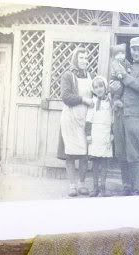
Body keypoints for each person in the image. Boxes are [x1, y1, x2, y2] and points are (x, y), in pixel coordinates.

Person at [110, 37, 139, 196]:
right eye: (133, 49)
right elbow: (115, 86)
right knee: (121, 152)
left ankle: (136, 189)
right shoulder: (125, 65)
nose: (136, 52)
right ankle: (126, 186)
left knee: (134, 152)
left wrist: (122, 75)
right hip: (119, 114)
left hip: (135, 115)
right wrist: (115, 97)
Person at [57, 47, 94, 197]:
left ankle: (82, 184)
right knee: (70, 154)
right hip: (71, 118)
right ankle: (72, 185)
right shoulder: (68, 75)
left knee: (84, 154)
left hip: (85, 118)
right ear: (75, 59)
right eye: (81, 58)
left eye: (86, 58)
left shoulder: (90, 76)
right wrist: (83, 99)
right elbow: (66, 97)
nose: (84, 60)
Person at [85, 76, 113, 197]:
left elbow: (113, 119)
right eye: (96, 87)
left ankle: (103, 188)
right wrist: (88, 134)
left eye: (101, 86)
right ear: (93, 90)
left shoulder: (110, 102)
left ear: (105, 87)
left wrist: (112, 133)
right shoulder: (93, 102)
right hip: (95, 134)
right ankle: (95, 188)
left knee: (104, 162)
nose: (99, 89)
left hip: (106, 134)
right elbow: (88, 120)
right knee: (95, 162)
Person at [109, 44, 130, 113]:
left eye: (122, 54)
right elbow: (117, 69)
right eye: (118, 54)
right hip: (115, 79)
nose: (120, 56)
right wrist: (119, 74)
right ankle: (115, 102)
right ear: (114, 56)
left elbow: (128, 64)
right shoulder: (115, 62)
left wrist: (129, 68)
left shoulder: (125, 61)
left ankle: (117, 101)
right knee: (118, 89)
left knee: (123, 89)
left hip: (121, 80)